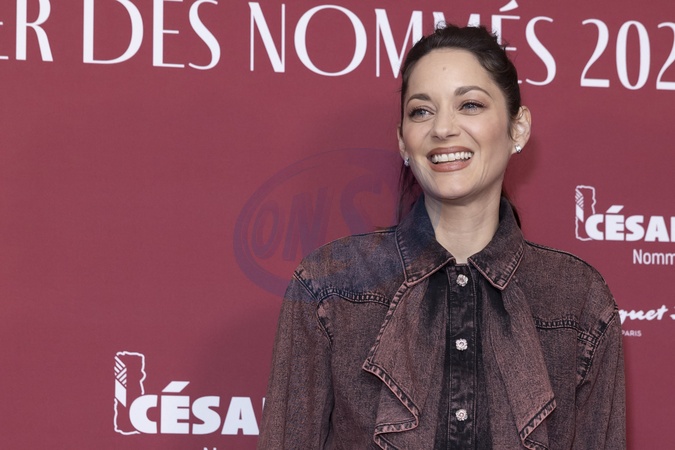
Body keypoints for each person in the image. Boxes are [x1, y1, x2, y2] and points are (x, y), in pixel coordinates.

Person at [257, 24, 625, 449]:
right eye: (421, 111)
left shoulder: (578, 299)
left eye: (469, 105)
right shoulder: (329, 285)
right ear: (403, 140)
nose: (443, 128)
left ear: (518, 128)